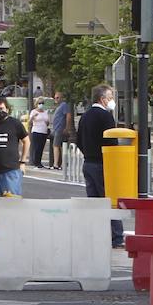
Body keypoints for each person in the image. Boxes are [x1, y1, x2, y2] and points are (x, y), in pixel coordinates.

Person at [76, 83, 124, 248]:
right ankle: (117, 237)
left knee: (94, 201)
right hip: (104, 163)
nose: (112, 101)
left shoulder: (85, 115)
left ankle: (97, 235)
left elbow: (78, 140)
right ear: (103, 99)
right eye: (110, 98)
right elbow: (112, 141)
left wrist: (88, 152)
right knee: (110, 199)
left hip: (88, 162)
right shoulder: (105, 117)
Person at [50, 91, 72, 170]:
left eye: (58, 97)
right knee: (60, 146)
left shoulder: (64, 105)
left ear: (62, 98)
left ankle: (56, 164)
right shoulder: (59, 106)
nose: (56, 99)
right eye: (55, 97)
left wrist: (67, 127)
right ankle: (62, 163)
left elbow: (68, 116)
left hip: (60, 129)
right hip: (57, 129)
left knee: (56, 146)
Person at [28, 98, 52, 168]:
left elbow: (47, 122)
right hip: (36, 130)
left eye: (42, 103)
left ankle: (39, 162)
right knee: (37, 147)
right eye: (39, 103)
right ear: (37, 104)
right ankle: (36, 162)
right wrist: (33, 117)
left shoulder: (45, 112)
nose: (41, 105)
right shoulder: (33, 112)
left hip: (43, 131)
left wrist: (47, 122)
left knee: (41, 147)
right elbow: (29, 122)